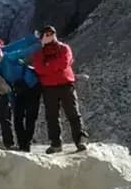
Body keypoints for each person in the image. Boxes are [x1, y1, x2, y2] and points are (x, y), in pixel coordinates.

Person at [33, 25, 89, 154]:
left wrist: (48, 66)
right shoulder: (39, 53)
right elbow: (39, 68)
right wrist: (53, 67)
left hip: (65, 85)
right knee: (52, 116)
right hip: (49, 88)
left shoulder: (64, 48)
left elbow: (64, 63)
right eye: (46, 34)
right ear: (42, 37)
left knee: (73, 113)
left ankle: (80, 140)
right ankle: (56, 143)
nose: (49, 36)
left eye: (51, 33)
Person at [0, 44, 42, 152]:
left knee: (30, 116)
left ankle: (26, 143)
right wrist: (12, 101)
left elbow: (25, 50)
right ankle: (23, 144)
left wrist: (40, 43)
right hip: (18, 91)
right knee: (18, 118)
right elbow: (7, 86)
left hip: (32, 86)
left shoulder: (9, 56)